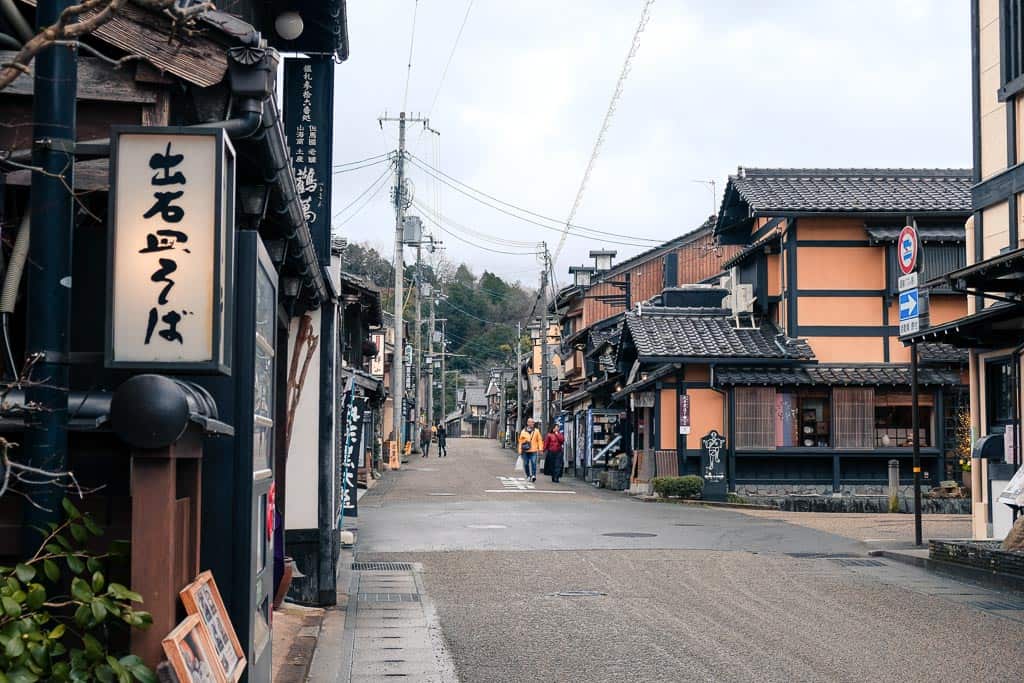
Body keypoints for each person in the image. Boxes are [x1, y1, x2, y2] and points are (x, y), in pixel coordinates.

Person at [517, 418, 543, 482]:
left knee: (533, 463)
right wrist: (520, 450)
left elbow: (539, 440)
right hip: (525, 451)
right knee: (526, 464)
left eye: (533, 422)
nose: (532, 423)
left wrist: (540, 449)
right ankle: (528, 475)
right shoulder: (523, 431)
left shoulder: (536, 431)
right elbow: (520, 442)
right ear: (528, 423)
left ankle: (533, 475)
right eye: (531, 422)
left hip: (533, 450)